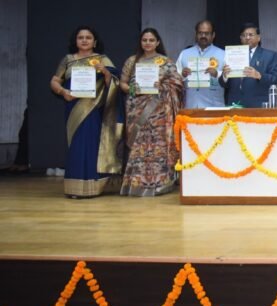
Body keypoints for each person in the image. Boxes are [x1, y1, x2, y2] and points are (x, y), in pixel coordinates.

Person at [49, 26, 122, 198]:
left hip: (93, 109)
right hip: (73, 107)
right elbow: (54, 80)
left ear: (94, 42)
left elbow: (115, 82)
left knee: (91, 144)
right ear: (75, 41)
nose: (84, 40)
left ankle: (93, 188)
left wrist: (104, 71)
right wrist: (63, 92)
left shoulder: (102, 59)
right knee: (76, 145)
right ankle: (74, 188)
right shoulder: (68, 59)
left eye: (88, 37)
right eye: (80, 37)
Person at [118, 28, 184, 197]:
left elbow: (177, 84)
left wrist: (162, 86)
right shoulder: (132, 61)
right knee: (138, 146)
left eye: (151, 40)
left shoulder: (165, 62)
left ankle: (160, 184)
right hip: (136, 109)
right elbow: (122, 83)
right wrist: (132, 89)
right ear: (141, 42)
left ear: (157, 42)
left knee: (157, 147)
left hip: (159, 111)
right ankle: (135, 184)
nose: (147, 43)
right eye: (144, 40)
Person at [219, 23, 277, 108]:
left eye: (251, 35)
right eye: (244, 35)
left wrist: (259, 76)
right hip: (235, 105)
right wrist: (224, 76)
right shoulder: (232, 55)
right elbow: (223, 84)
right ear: (240, 38)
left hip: (258, 106)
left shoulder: (270, 55)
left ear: (258, 38)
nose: (247, 37)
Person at [175, 19, 225, 109]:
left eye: (207, 33)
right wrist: (182, 75)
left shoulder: (223, 54)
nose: (203, 36)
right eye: (200, 33)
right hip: (190, 106)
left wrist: (217, 74)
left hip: (214, 107)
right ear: (196, 34)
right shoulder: (184, 53)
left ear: (213, 35)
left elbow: (230, 80)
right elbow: (174, 78)